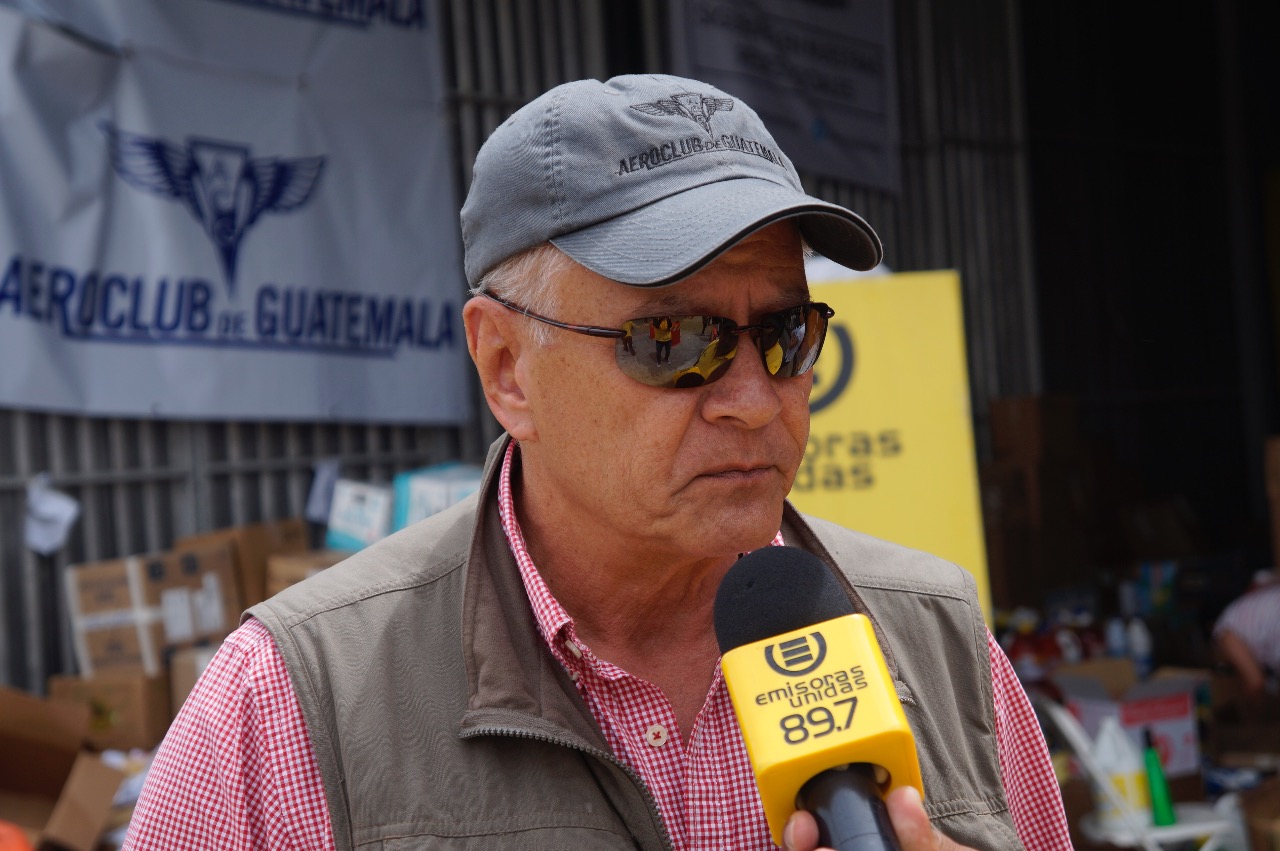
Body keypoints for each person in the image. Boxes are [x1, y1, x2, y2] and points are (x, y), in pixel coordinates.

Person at [123, 74, 1071, 850]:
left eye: (785, 333)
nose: (752, 398)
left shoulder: (939, 645)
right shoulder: (297, 699)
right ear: (506, 368)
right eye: (674, 340)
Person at [1213, 574, 1280, 704]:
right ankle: (1256, 720)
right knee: (1255, 682)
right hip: (1231, 628)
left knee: (1256, 683)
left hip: (1250, 624)